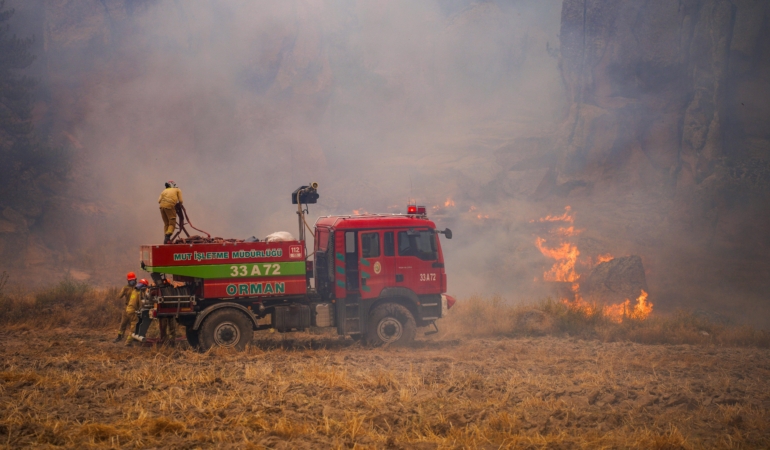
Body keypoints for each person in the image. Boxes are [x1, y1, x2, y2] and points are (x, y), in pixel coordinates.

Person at [114, 272, 138, 342]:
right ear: (128, 281)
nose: (132, 282)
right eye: (130, 280)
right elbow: (119, 296)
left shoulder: (138, 287)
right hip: (126, 308)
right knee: (123, 323)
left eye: (133, 280)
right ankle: (119, 337)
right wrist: (123, 291)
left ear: (135, 279)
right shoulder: (125, 288)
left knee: (134, 324)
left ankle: (133, 337)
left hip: (135, 308)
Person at [125, 279, 149, 346]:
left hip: (129, 310)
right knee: (134, 326)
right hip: (132, 311)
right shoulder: (139, 293)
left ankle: (137, 339)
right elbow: (141, 303)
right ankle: (128, 342)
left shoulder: (135, 291)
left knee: (138, 323)